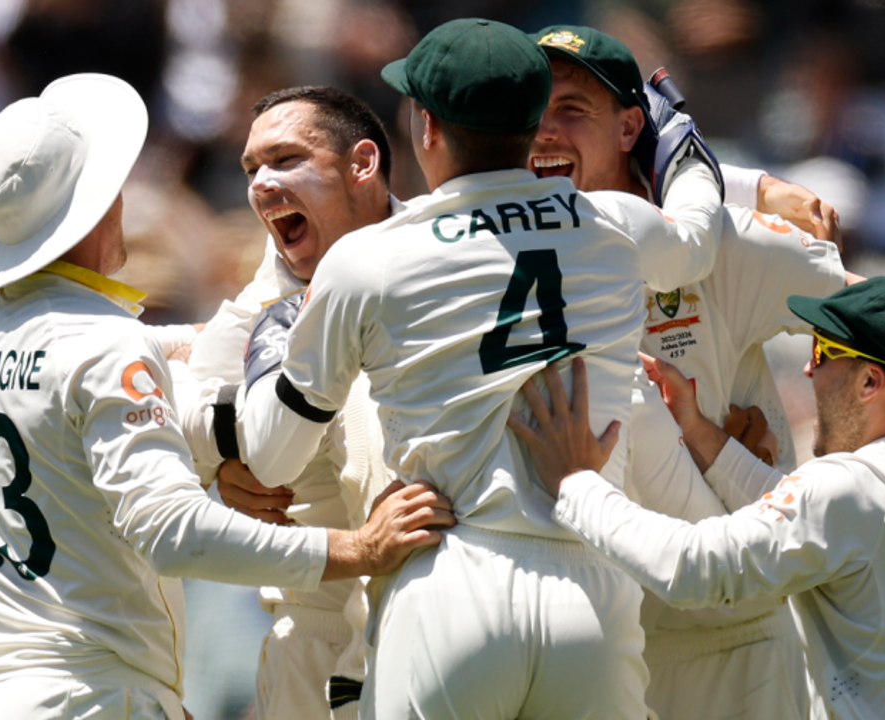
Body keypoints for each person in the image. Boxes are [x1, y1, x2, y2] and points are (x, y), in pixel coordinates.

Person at [529, 24, 885, 720]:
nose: (542, 135)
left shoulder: (730, 247)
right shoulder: (500, 244)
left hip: (735, 643)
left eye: (571, 111)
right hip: (593, 634)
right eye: (529, 114)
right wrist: (706, 438)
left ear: (629, 127)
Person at [238, 17, 723, 719]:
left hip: (452, 576)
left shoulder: (369, 260)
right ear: (532, 125)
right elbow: (698, 241)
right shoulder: (615, 221)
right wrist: (682, 147)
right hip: (592, 587)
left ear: (426, 127)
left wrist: (274, 339)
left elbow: (272, 455)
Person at [0, 73, 453, 720]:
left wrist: (216, 446)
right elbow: (173, 530)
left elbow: (152, 355)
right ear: (99, 204)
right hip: (88, 693)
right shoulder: (107, 346)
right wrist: (360, 548)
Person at [513, 276, 885, 720]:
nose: (808, 370)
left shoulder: (857, 486)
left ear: (871, 381)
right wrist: (699, 432)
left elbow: (695, 568)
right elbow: (826, 522)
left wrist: (576, 484)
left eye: (823, 352)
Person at [175, 86, 402, 720]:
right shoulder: (273, 282)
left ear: (362, 164)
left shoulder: (436, 255)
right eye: (251, 169)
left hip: (425, 610)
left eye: (284, 160)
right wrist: (226, 460)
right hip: (309, 639)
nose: (261, 184)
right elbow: (177, 401)